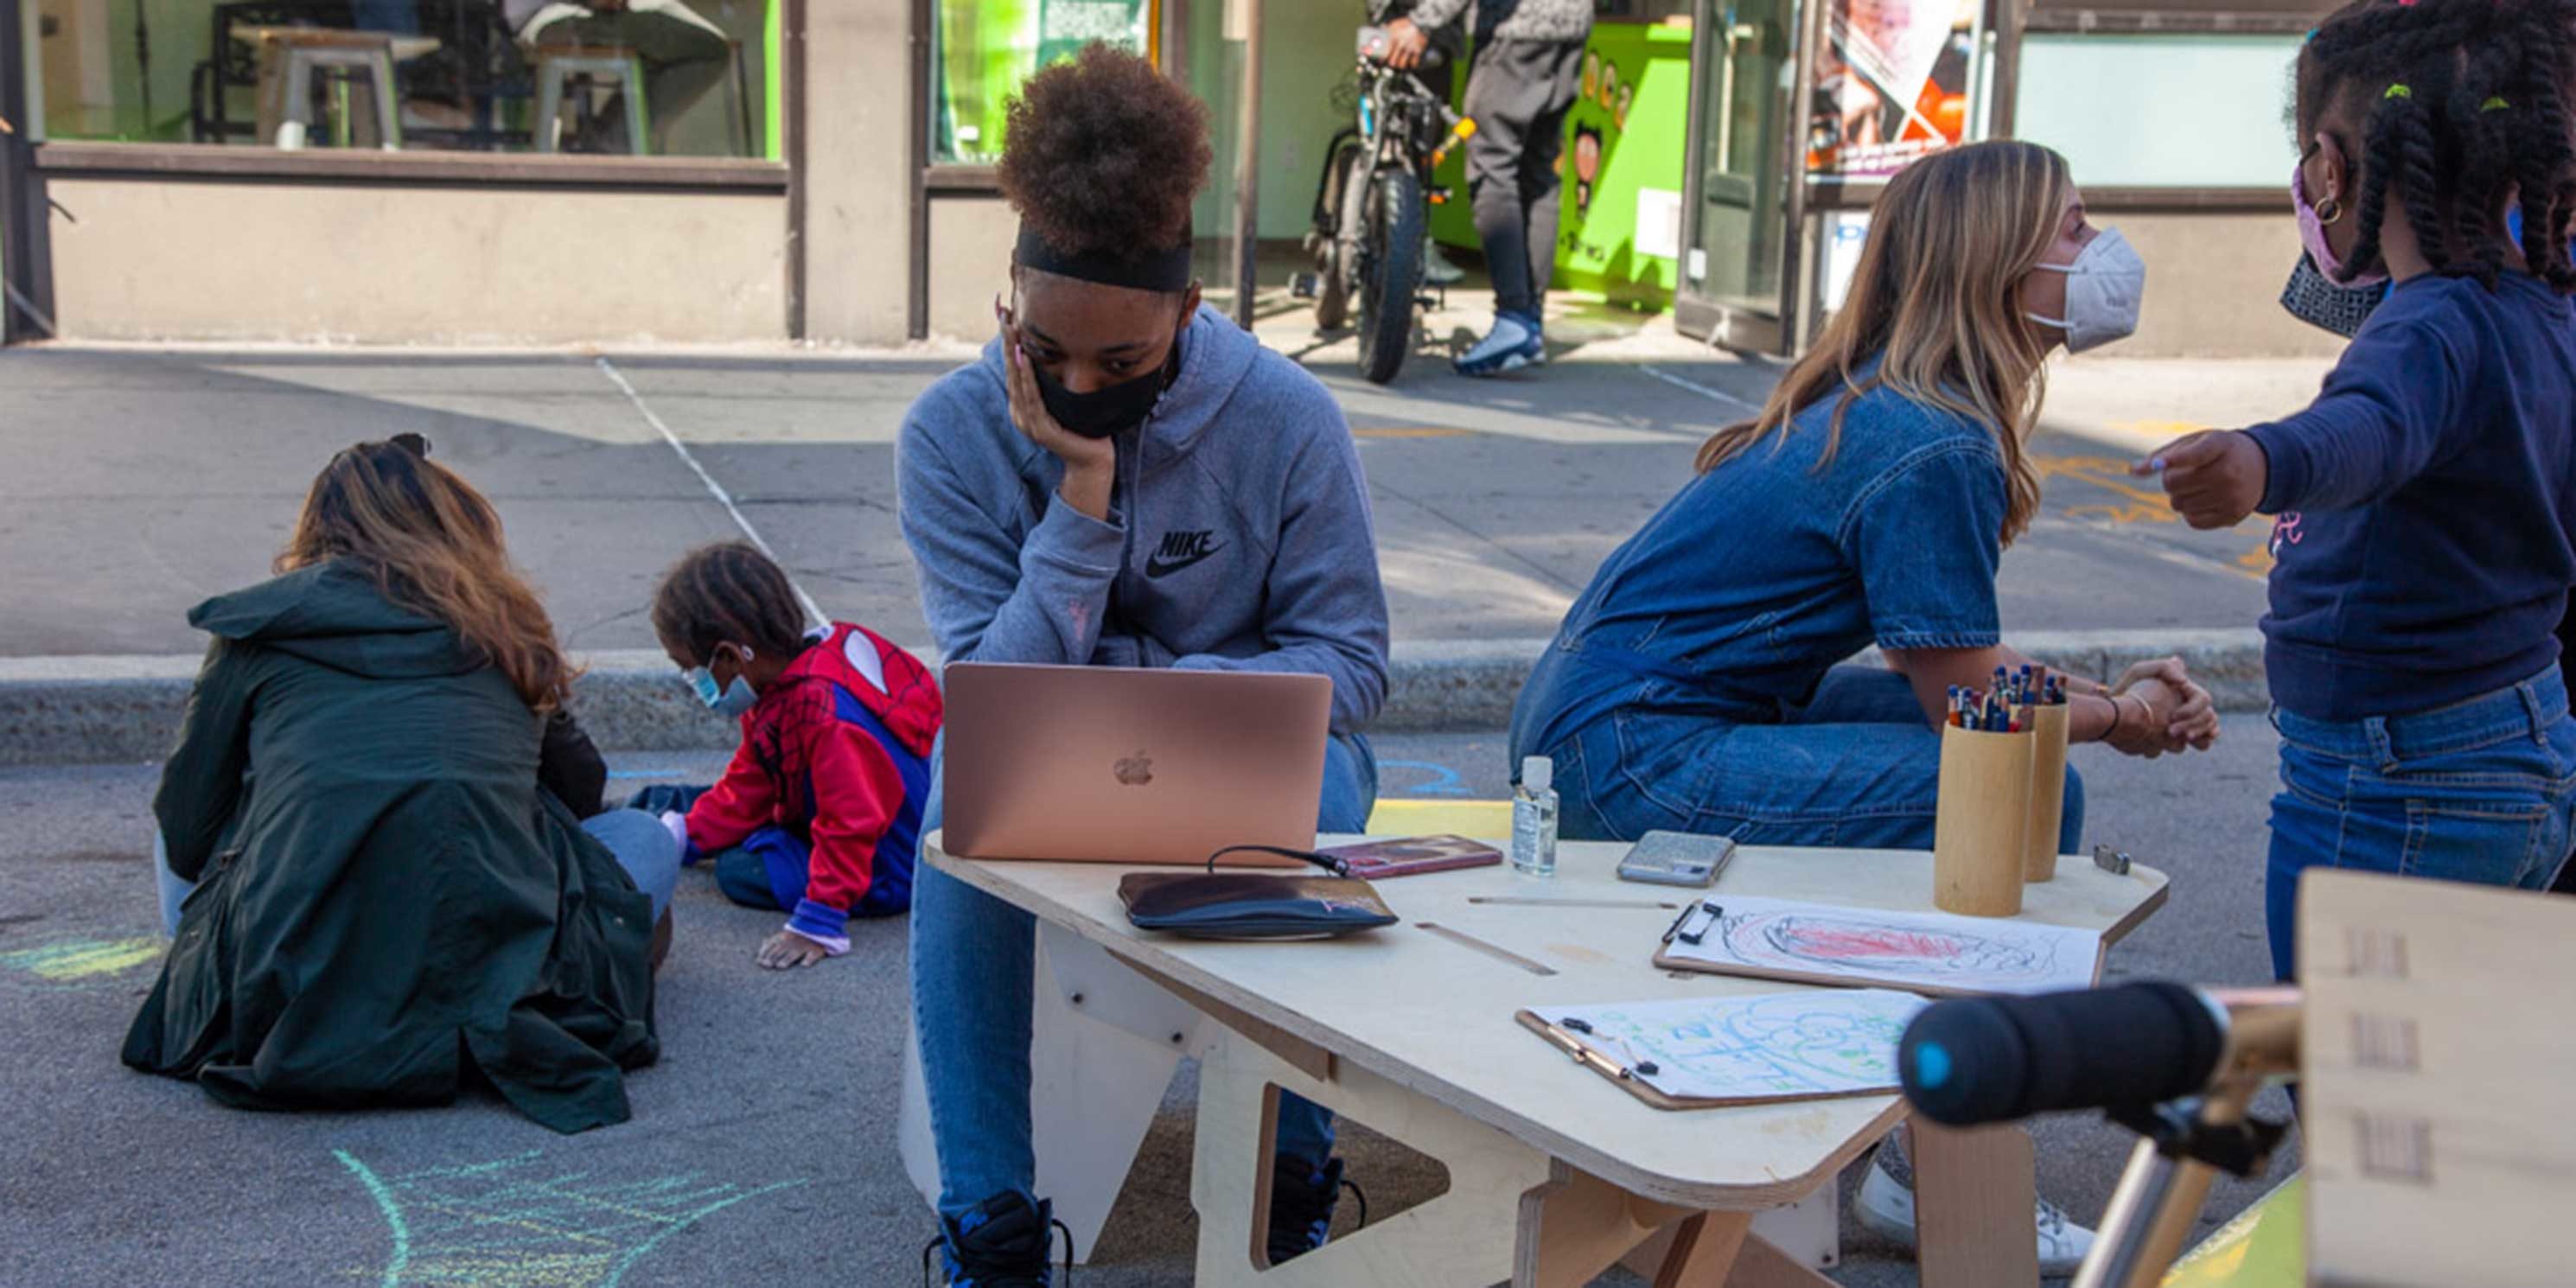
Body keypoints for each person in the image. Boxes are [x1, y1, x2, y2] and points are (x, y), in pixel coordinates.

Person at [1508, 140, 2218, 1273]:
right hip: (1629, 756)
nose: (2100, 251)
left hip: (1615, 725)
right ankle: (1946, 1171)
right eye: (2074, 228)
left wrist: (2109, 693)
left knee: (2016, 769)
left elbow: (1959, 670)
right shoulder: (1933, 440)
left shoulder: (1899, 408)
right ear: (1997, 258)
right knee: (2029, 787)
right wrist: (2126, 714)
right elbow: (1976, 710)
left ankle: (1892, 1148)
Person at [896, 45, 1390, 1285]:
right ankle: (989, 1221)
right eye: (1046, 347)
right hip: (1050, 759)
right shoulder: (950, 437)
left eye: (1121, 368)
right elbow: (989, 689)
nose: (1076, 384)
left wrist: (1182, 704)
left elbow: (1356, 663)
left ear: (1187, 310)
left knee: (1317, 798)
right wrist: (1080, 503)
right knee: (959, 795)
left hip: (1252, 760)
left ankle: (1291, 1168)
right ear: (1010, 292)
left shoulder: (1286, 420)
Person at [2143, 0, 2576, 972]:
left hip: (2401, 776)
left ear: (2330, 169)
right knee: (2448, 1072)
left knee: (2354, 1078)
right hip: (2509, 740)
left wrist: (2261, 460)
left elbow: (2369, 427)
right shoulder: (2538, 310)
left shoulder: (2430, 327)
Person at [124, 435, 670, 1134]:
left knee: (193, 821)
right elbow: (583, 791)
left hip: (288, 977)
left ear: (317, 528)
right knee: (642, 835)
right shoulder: (504, 629)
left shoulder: (257, 630)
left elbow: (187, 821)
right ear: (454, 524)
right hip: (498, 964)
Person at [633, 541, 940, 970]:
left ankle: (752, 841)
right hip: (854, 816)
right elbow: (752, 777)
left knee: (740, 871)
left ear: (729, 656)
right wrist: (687, 836)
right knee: (673, 806)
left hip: (885, 867)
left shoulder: (827, 718)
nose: (692, 681)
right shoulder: (784, 679)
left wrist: (818, 922)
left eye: (692, 669)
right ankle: (685, 827)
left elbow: (851, 824)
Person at [1383, 0, 1593, 375]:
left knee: (1491, 164)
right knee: (1538, 174)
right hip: (1571, 28)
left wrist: (1422, 21)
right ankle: (1528, 323)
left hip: (1516, 31)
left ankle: (1515, 317)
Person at [504, 0, 733, 155]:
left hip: (554, 15)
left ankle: (611, 142)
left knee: (663, 47)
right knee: (709, 50)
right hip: (558, 16)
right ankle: (613, 144)